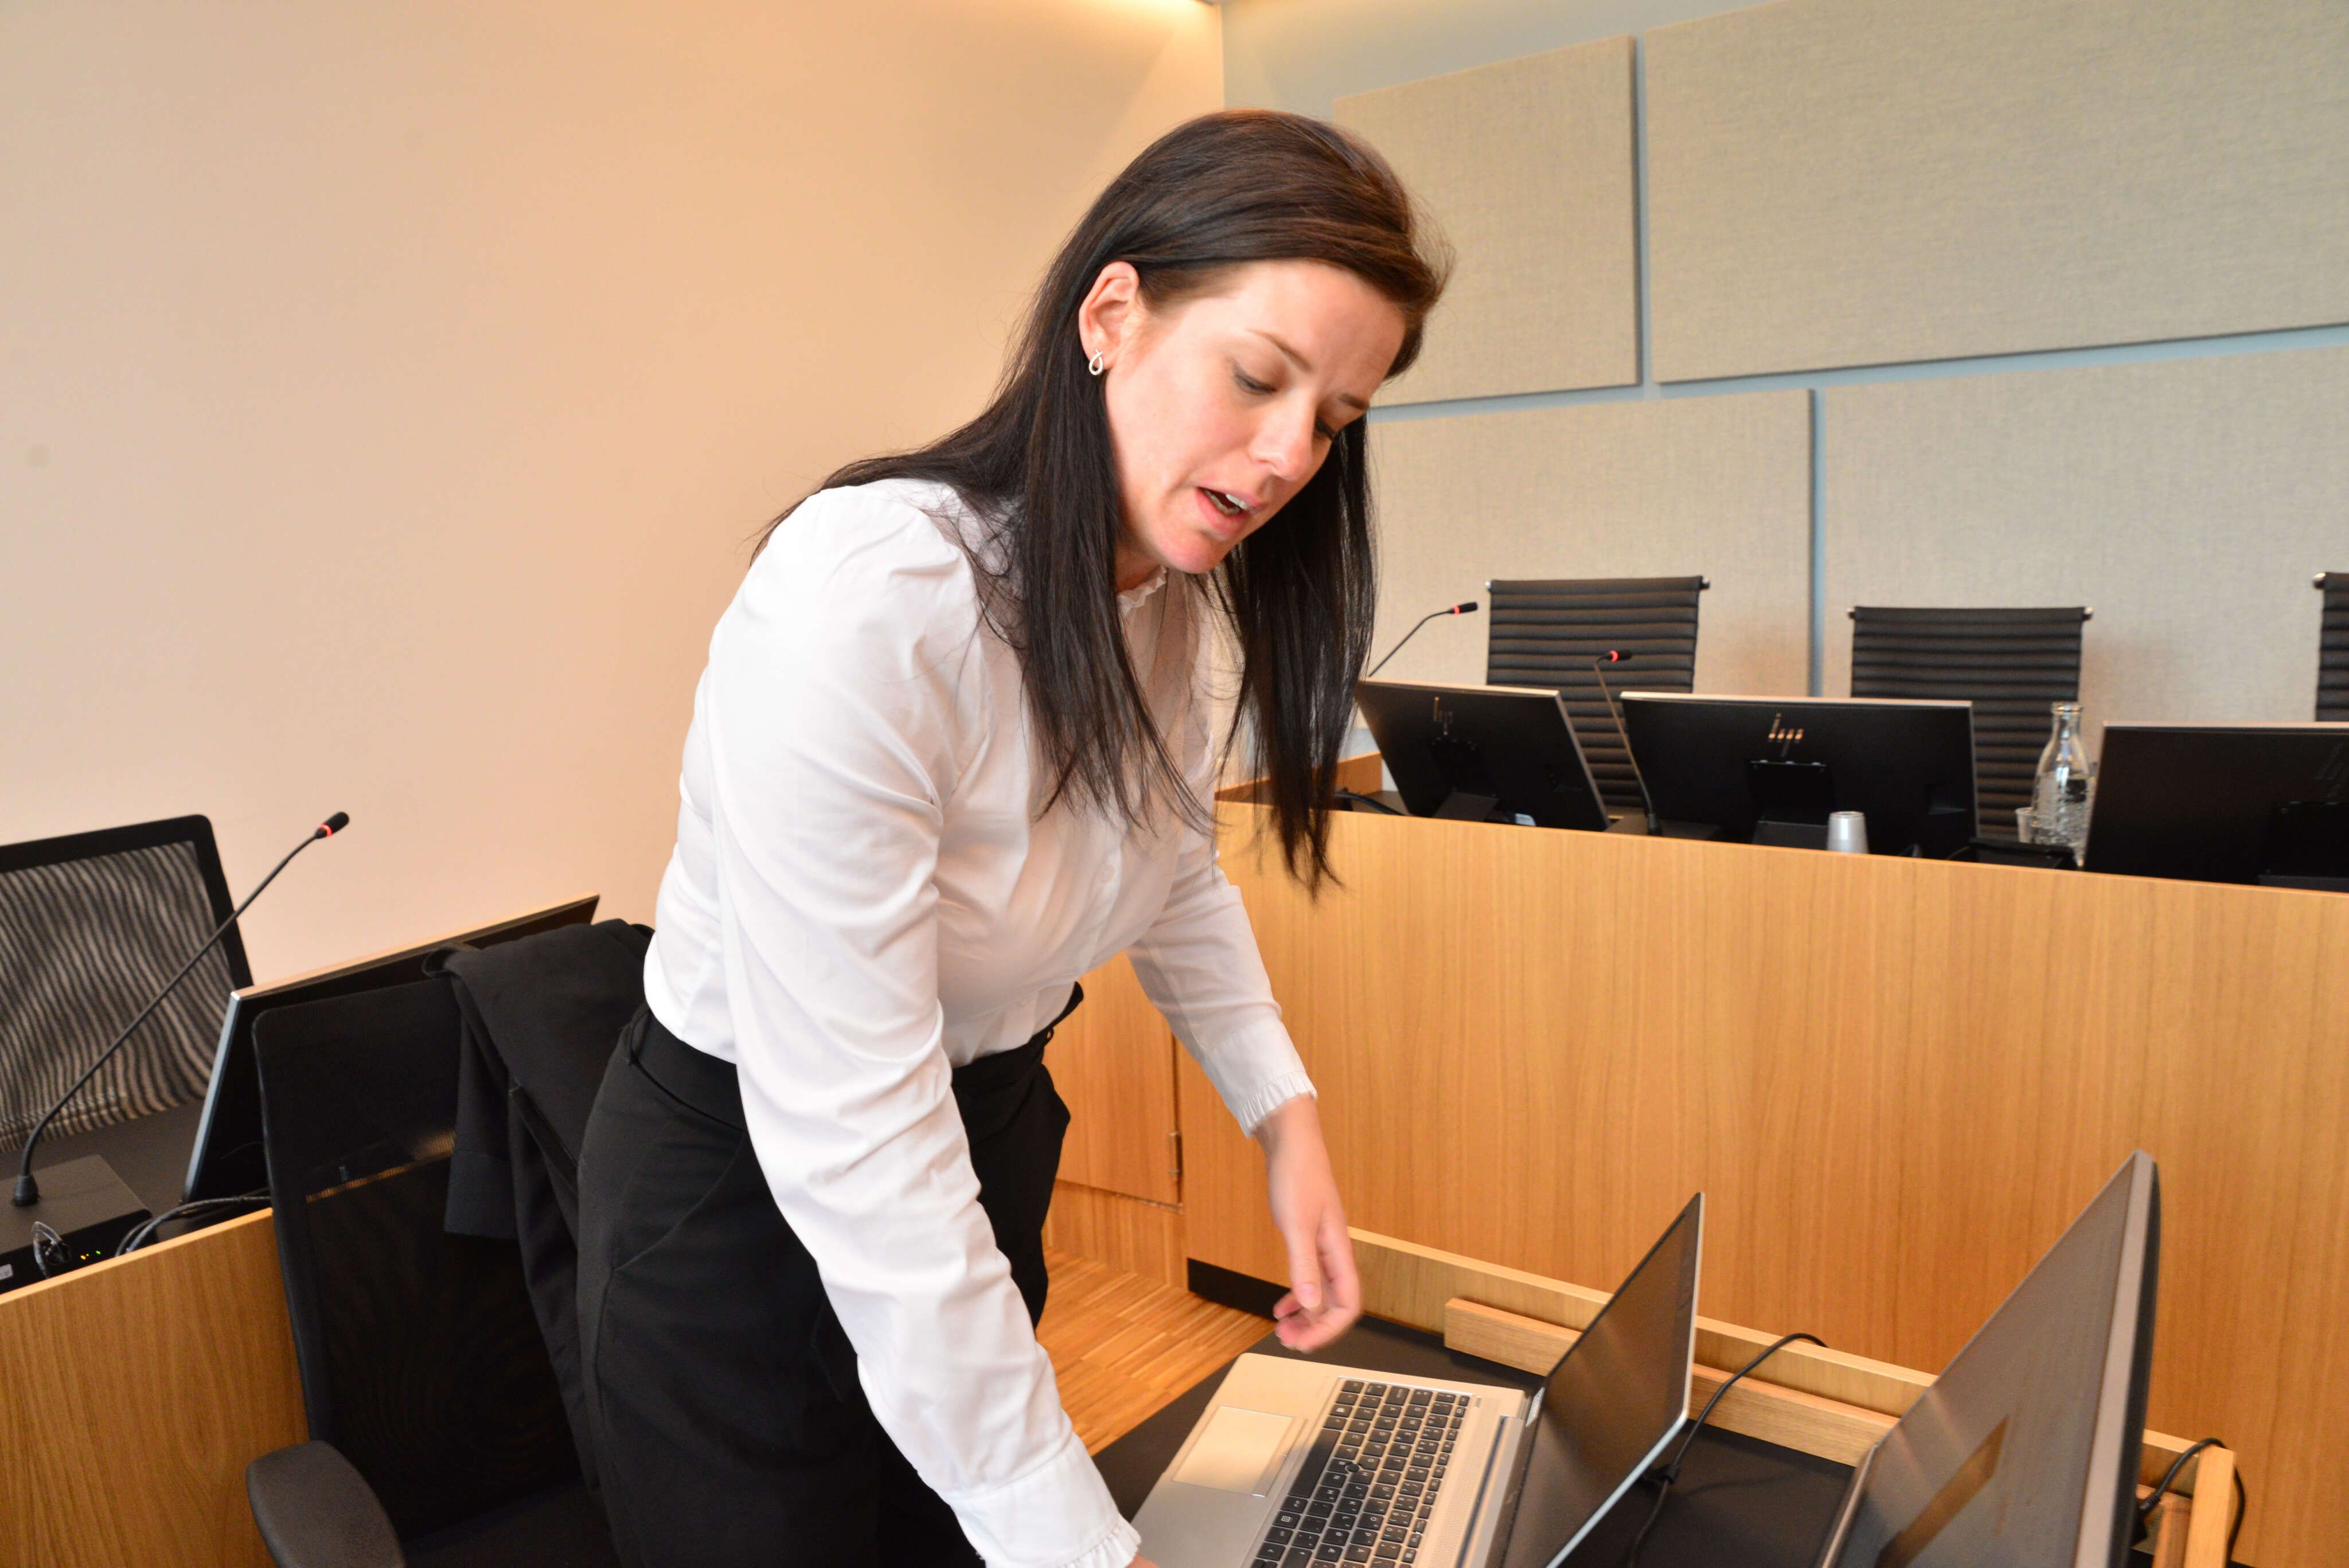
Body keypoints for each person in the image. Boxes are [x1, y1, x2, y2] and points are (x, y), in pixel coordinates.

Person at [576, 109, 1448, 1568]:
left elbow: (1168, 875)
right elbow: (859, 1135)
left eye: (1333, 420)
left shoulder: (1172, 612)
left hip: (980, 1139)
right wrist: (1078, 1543)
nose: (1287, 455)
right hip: (744, 1199)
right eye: (1256, 379)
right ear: (1110, 315)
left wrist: (1283, 1121)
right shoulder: (866, 599)